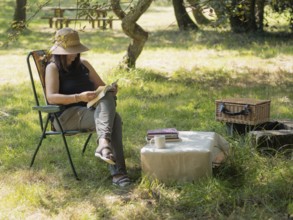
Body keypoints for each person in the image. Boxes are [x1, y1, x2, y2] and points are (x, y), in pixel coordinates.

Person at [45, 27, 130, 187]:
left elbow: (101, 87)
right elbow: (51, 98)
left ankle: (103, 144)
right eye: (69, 50)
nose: (74, 54)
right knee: (115, 119)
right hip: (65, 116)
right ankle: (117, 171)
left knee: (108, 95)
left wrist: (110, 89)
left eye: (75, 50)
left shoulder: (84, 64)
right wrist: (79, 97)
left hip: (89, 110)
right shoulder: (53, 68)